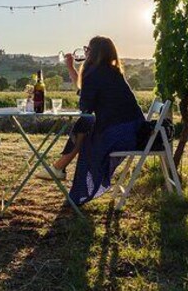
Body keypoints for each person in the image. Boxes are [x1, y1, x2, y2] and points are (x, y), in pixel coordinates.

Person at [38, 36, 145, 206]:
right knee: (85, 125)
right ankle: (59, 168)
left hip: (121, 133)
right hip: (135, 130)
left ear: (93, 53)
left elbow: (85, 106)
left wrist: (74, 70)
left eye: (87, 49)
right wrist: (71, 67)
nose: (85, 52)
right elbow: (86, 92)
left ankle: (63, 174)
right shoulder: (112, 71)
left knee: (87, 139)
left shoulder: (94, 73)